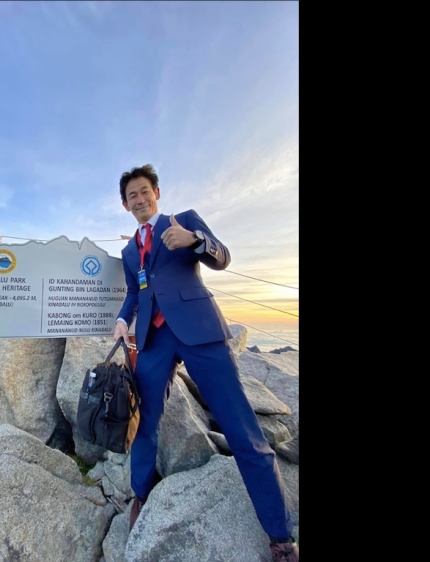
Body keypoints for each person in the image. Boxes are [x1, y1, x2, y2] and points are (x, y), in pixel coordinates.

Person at [112, 164, 299, 561]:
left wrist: (194, 240)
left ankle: (281, 536)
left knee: (240, 425)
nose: (140, 199)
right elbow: (133, 292)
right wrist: (119, 322)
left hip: (200, 332)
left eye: (145, 191)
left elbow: (222, 257)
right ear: (125, 205)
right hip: (152, 339)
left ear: (156, 192)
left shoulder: (185, 221)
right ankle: (141, 495)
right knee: (144, 420)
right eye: (132, 196)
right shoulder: (129, 251)